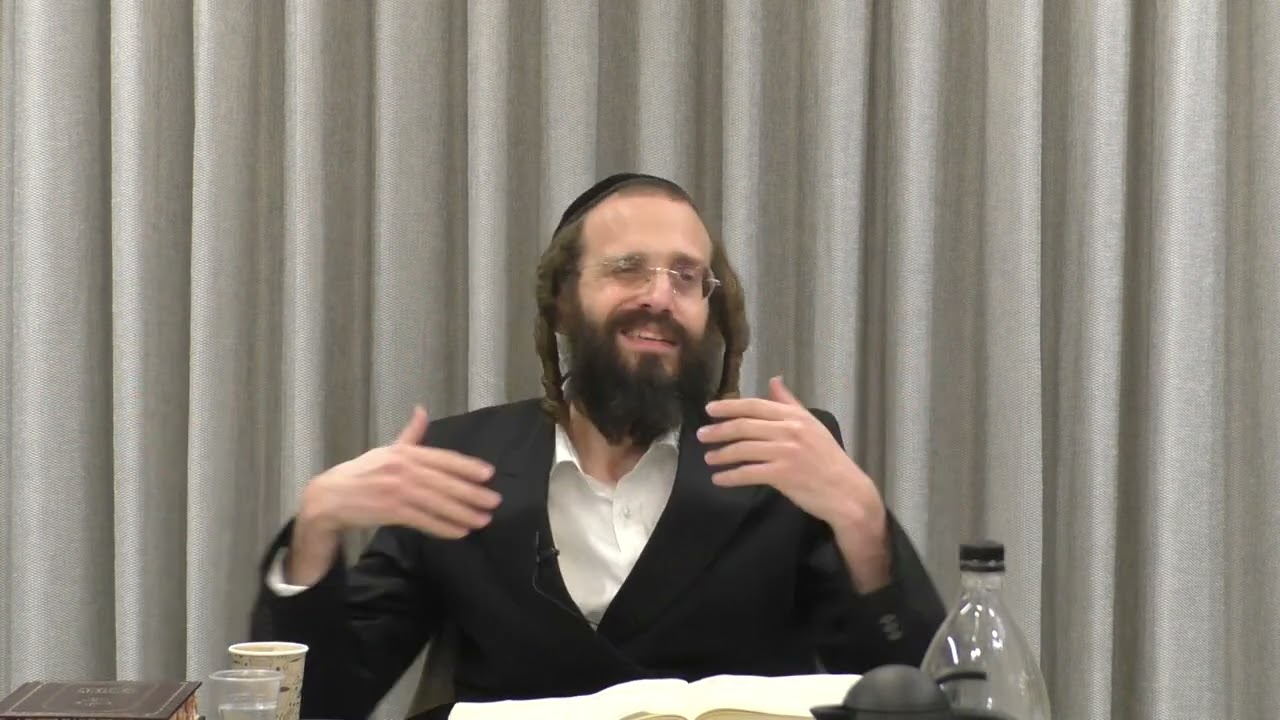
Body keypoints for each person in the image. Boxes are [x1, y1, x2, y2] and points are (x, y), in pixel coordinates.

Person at [248, 173, 945, 720]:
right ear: (561, 302)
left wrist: (862, 522)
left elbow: (915, 696)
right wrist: (316, 534)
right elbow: (323, 704)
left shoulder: (777, 462)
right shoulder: (458, 463)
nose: (660, 296)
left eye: (686, 277)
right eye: (628, 269)